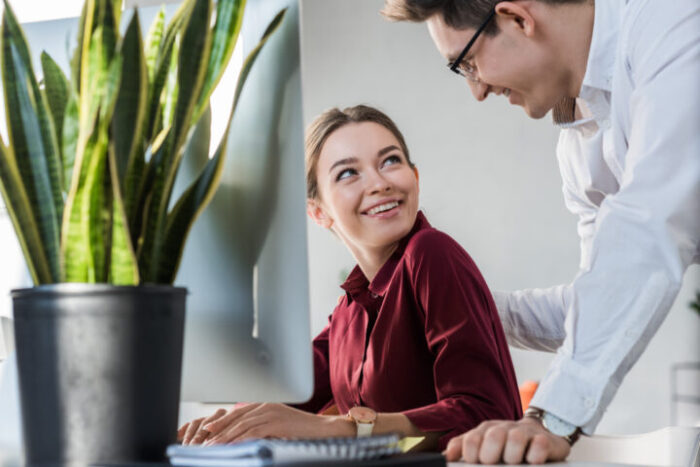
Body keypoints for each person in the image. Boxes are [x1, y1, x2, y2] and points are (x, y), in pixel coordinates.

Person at [381, 0, 700, 464]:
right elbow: (597, 298)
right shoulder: (578, 141)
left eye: (468, 63)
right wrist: (463, 303)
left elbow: (648, 233)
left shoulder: (671, 25)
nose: (477, 89)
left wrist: (550, 418)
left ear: (517, 18)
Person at [178, 105, 522, 450]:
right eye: (347, 173)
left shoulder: (431, 253)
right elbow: (284, 398)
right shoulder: (349, 311)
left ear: (414, 177)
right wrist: (223, 427)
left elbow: (485, 414)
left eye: (390, 161)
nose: (379, 183)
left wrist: (341, 427)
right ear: (317, 211)